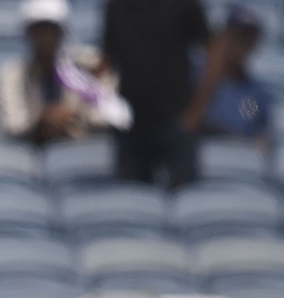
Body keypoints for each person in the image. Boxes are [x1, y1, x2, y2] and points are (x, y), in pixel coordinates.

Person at [102, 0, 213, 187]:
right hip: (130, 123)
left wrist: (198, 109)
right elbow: (108, 60)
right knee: (133, 204)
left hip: (177, 119)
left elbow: (215, 50)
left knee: (186, 199)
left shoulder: (183, 4)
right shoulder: (116, 5)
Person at [0, 0, 131, 146]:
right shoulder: (12, 74)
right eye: (39, 30)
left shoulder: (91, 64)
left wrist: (72, 114)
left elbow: (108, 114)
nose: (45, 37)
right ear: (28, 34)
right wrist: (44, 120)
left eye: (51, 29)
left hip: (80, 145)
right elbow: (14, 124)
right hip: (32, 146)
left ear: (62, 32)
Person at [182, 6, 273, 148]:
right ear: (223, 37)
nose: (242, 45)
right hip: (197, 155)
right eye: (238, 37)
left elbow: (259, 135)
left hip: (235, 162)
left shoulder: (256, 94)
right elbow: (185, 124)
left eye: (249, 38)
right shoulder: (194, 76)